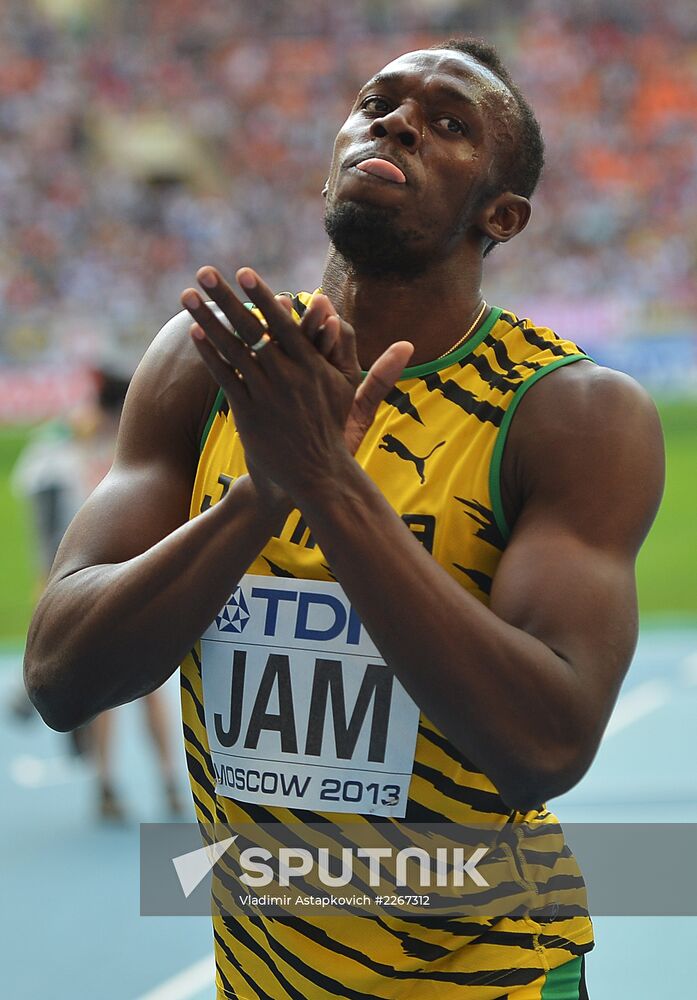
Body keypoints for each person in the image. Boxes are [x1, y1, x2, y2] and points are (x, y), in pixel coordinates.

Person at [24, 38, 664, 999]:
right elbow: (62, 675)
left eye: (449, 125)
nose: (396, 122)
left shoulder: (567, 411)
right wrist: (261, 497)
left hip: (487, 976)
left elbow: (543, 746)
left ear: (502, 214)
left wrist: (329, 485)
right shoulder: (213, 364)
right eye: (377, 102)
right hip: (264, 976)